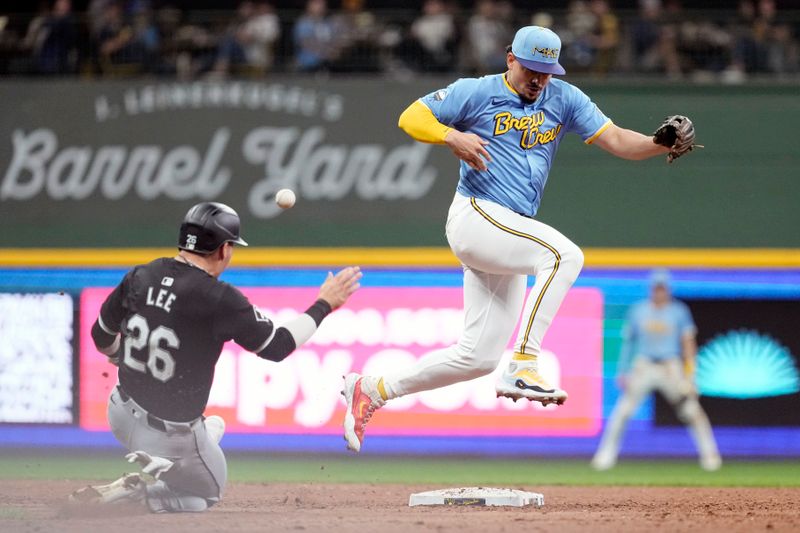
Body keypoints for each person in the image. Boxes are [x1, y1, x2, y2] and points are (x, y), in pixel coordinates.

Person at [341, 25, 699, 453]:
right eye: (532, 68)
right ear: (511, 58)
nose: (539, 79)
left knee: (477, 357)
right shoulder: (477, 92)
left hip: (506, 231)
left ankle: (373, 389)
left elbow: (619, 140)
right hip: (477, 213)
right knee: (563, 256)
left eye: (547, 71)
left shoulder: (564, 98)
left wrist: (659, 145)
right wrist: (450, 134)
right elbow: (410, 115)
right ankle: (525, 361)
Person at [69, 202, 362, 512]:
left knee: (213, 427)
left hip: (118, 413)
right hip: (169, 436)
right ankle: (137, 494)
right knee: (204, 496)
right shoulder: (220, 298)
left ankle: (175, 458)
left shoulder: (142, 275)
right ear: (223, 249)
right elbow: (277, 347)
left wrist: (120, 356)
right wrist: (324, 304)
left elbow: (101, 336)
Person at [591, 270, 721, 471]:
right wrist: (622, 370)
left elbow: (688, 342)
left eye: (662, 288)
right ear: (651, 289)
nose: (659, 291)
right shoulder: (639, 310)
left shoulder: (679, 311)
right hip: (644, 366)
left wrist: (690, 374)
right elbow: (628, 342)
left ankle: (710, 456)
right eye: (656, 288)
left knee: (692, 411)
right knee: (623, 412)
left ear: (667, 289)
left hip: (670, 367)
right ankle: (605, 455)